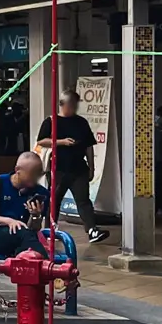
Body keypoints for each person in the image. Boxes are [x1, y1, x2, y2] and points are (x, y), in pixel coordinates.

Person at [36, 92, 108, 243]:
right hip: (58, 168)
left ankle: (91, 230)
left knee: (83, 201)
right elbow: (42, 141)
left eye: (76, 105)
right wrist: (62, 142)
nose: (74, 108)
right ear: (62, 104)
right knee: (54, 200)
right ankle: (50, 229)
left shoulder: (81, 122)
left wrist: (91, 167)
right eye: (71, 105)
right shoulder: (51, 121)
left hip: (79, 168)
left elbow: (89, 146)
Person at [0, 151, 49, 259]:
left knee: (24, 242)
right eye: (32, 173)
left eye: (38, 174)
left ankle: (26, 268)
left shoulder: (40, 193)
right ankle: (46, 263)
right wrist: (9, 221)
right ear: (18, 171)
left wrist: (35, 216)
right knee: (23, 234)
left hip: (23, 237)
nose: (35, 178)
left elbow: (33, 228)